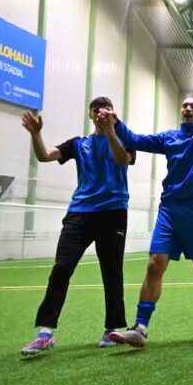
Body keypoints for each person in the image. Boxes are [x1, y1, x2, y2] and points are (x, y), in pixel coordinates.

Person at [107, 68, 193, 347]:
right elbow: (134, 140)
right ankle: (140, 327)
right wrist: (116, 122)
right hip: (169, 209)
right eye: (185, 105)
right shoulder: (169, 138)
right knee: (155, 263)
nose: (188, 108)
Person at [19, 98, 135, 355]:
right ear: (91, 115)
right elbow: (45, 155)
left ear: (113, 114)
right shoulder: (78, 144)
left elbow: (121, 161)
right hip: (80, 214)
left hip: (113, 212)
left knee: (112, 271)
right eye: (96, 111)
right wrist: (36, 134)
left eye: (106, 110)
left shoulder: (125, 139)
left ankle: (112, 328)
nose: (101, 114)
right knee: (61, 268)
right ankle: (45, 333)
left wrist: (111, 131)